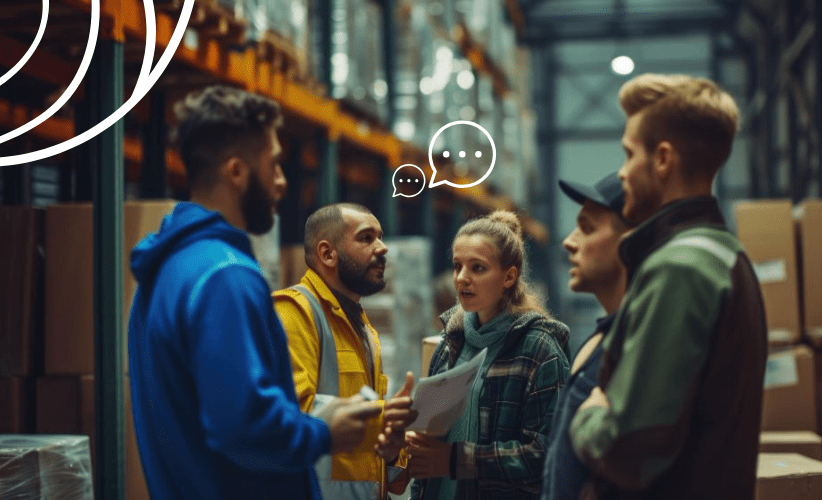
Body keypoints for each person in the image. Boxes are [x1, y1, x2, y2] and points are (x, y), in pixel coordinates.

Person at [127, 86, 382, 499]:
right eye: (275, 164)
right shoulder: (225, 277)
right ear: (236, 172)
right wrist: (323, 431)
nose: (282, 182)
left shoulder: (165, 270)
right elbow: (242, 426)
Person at [569, 74, 768, 499]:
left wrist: (588, 416)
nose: (621, 172)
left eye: (628, 154)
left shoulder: (680, 270)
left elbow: (627, 448)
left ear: (662, 159)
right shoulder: (723, 254)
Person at [406, 210, 571, 500]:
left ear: (509, 277)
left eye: (477, 268)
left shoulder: (538, 349)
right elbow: (431, 440)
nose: (461, 279)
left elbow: (548, 453)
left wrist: (455, 460)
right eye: (458, 266)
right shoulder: (449, 344)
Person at [272, 203, 417, 500]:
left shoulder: (365, 330)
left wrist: (393, 450)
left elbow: (378, 460)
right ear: (327, 254)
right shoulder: (294, 312)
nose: (383, 248)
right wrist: (384, 417)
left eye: (380, 237)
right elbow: (290, 417)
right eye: (367, 238)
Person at [540, 172, 630, 500]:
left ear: (631, 241)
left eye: (587, 227)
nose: (569, 240)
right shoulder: (604, 337)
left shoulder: (638, 348)